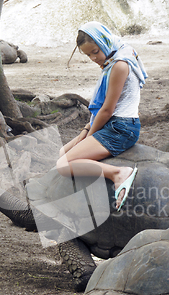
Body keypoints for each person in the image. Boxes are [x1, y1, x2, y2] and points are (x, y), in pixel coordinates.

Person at [56, 21, 147, 211]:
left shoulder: (119, 65)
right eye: (88, 54)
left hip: (121, 128)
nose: (93, 58)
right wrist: (86, 130)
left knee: (63, 165)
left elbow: (107, 110)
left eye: (95, 51)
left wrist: (88, 138)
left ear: (104, 42)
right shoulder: (115, 56)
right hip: (111, 124)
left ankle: (118, 173)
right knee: (61, 154)